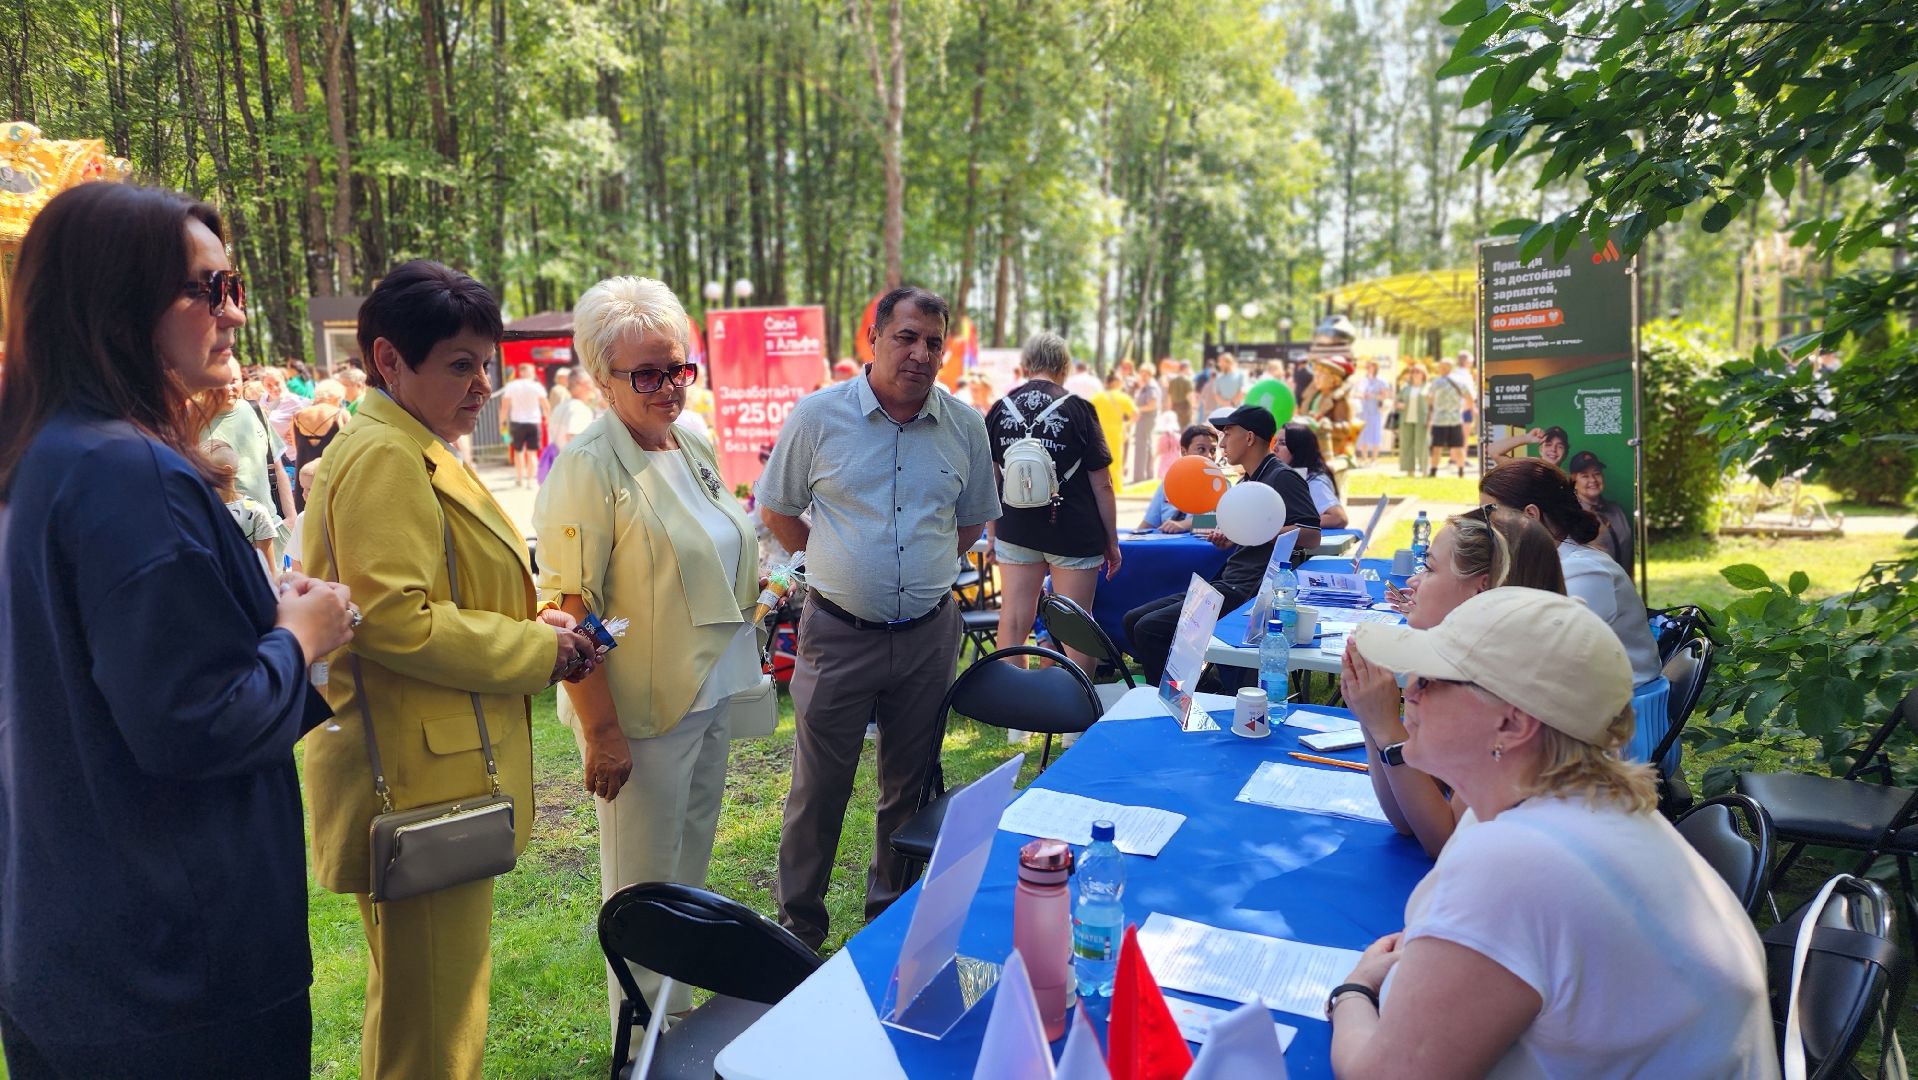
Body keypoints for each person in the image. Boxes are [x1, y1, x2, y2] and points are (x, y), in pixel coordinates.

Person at [0, 182, 353, 1078]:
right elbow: (199, 722)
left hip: (69, 948)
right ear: (116, 302)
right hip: (176, 969)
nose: (235, 313)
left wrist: (252, 611)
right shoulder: (130, 473)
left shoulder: (44, 458)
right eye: (209, 288)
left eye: (235, 285)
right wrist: (301, 634)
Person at [302, 260, 598, 1079]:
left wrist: (524, 622)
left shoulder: (409, 442)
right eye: (460, 364)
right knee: (431, 1027)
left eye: (485, 363)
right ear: (389, 360)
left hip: (433, 773)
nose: (483, 385)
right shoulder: (386, 453)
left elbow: (433, 592)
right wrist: (534, 650)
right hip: (419, 780)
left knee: (425, 1012)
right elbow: (392, 616)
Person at [1329, 589, 1776, 1079]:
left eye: (1431, 680)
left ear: (1511, 723)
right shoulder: (1578, 802)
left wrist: (1354, 991)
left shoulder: (1517, 860)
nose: (1408, 690)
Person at [533, 277, 761, 1060]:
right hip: (639, 718)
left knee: (687, 880)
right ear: (602, 377)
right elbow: (572, 611)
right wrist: (602, 731)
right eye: (647, 374)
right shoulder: (587, 467)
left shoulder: (691, 442)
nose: (668, 387)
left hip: (708, 692)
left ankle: (678, 1029)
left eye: (678, 368)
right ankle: (640, 1053)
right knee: (640, 892)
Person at [757, 285, 1001, 949]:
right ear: (874, 338)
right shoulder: (818, 417)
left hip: (928, 635)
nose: (920, 354)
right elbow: (777, 508)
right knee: (819, 788)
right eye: (906, 337)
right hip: (838, 633)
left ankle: (889, 921)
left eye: (933, 343)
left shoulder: (965, 427)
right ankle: (798, 930)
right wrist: (836, 562)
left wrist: (916, 570)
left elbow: (972, 520)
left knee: (910, 784)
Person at [1342, 506, 1565, 856]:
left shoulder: (1506, 693)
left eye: (1429, 568)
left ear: (1481, 588)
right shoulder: (1450, 668)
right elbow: (1407, 819)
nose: (1413, 582)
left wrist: (1386, 728)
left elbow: (1447, 841)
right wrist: (1371, 717)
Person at [1122, 405, 1321, 685]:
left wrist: (1260, 530)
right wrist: (1231, 536)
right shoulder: (1248, 480)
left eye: (1228, 433)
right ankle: (1202, 687)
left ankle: (1173, 698)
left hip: (1248, 593)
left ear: (1249, 438)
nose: (1223, 443)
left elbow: (1312, 535)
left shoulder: (1281, 477)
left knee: (1149, 629)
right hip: (1227, 581)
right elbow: (1252, 533)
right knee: (1133, 619)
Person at [986, 332, 1122, 676]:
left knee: (1013, 618)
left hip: (1015, 527)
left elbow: (990, 480)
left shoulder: (1001, 408)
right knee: (1077, 623)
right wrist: (1112, 540)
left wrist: (992, 534)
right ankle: (1075, 707)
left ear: (1026, 365)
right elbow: (1103, 484)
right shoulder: (1079, 408)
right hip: (1072, 527)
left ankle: (1012, 705)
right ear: (1064, 366)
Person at [1479, 458, 1659, 687]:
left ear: (1530, 515)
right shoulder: (1550, 560)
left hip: (1623, 701)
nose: (1486, 526)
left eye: (1491, 514)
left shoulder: (1586, 572)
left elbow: (1543, 656)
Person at [202, 357, 296, 555]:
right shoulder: (193, 421)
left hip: (272, 530)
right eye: (221, 382)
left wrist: (290, 517)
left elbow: (277, 467)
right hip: (226, 538)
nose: (228, 388)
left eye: (234, 381)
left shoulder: (254, 411)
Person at [204, 438, 280, 573]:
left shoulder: (255, 512)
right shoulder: (200, 510)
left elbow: (269, 570)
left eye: (203, 471)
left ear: (226, 472)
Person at [1138, 425, 1218, 532]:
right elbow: (1148, 523)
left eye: (1213, 450)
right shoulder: (1168, 483)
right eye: (1201, 449)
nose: (1209, 456)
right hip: (1167, 541)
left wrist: (1184, 524)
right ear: (1184, 452)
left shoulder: (1219, 485)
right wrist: (1132, 538)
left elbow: (1221, 520)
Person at [1568, 450, 1634, 579]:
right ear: (1574, 481)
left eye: (1597, 473)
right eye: (1585, 476)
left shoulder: (1617, 510)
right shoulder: (1571, 515)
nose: (1593, 480)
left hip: (1623, 585)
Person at [1276, 421, 1348, 529]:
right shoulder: (1293, 477)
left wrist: (1293, 526)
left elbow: (1339, 517)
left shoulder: (1314, 482)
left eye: (1282, 443)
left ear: (1298, 448)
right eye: (1275, 442)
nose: (1275, 448)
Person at [288, 378, 347, 509]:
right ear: (337, 397)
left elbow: (295, 446)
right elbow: (350, 447)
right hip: (331, 480)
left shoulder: (297, 416)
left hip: (304, 482)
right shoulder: (340, 414)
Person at [497, 361, 550, 487]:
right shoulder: (537, 386)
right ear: (529, 372)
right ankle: (530, 481)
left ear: (521, 373)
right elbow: (546, 406)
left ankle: (520, 479)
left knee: (518, 452)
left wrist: (502, 422)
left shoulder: (511, 386)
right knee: (532, 453)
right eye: (532, 371)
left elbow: (504, 407)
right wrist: (547, 418)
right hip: (534, 422)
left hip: (517, 422)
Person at [1090, 370, 1139, 484]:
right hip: (1116, 433)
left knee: (1099, 460)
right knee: (1115, 461)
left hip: (1099, 433)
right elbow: (1135, 414)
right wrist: (1127, 424)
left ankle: (1100, 485)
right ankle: (1115, 486)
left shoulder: (1097, 397)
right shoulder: (1123, 397)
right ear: (1115, 382)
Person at [1426, 359, 1466, 477]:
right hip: (1455, 419)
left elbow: (1429, 399)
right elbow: (1469, 399)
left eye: (1441, 366)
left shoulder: (1437, 382)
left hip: (1439, 420)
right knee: (1458, 446)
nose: (1439, 368)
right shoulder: (1460, 381)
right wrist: (1460, 410)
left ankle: (1433, 471)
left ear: (1445, 367)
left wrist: (1432, 410)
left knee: (1437, 446)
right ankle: (1461, 471)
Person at [550, 366, 601, 449]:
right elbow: (574, 440)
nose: (594, 387)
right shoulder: (580, 409)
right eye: (592, 382)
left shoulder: (560, 407)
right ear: (582, 384)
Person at [1130, 361, 1164, 484]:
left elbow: (1152, 405)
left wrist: (1138, 409)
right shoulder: (1147, 386)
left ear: (1150, 374)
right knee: (1147, 446)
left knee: (1141, 446)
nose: (1142, 376)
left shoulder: (1151, 387)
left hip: (1146, 419)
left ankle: (1139, 477)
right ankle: (1148, 474)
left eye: (1145, 373)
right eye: (1141, 373)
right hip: (1145, 419)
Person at [1394, 365, 1431, 478]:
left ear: (1423, 374)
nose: (1415, 373)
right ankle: (1409, 470)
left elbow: (1433, 405)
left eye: (1418, 371)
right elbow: (1397, 401)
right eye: (1413, 371)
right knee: (1406, 445)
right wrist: (1398, 405)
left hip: (1422, 420)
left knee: (1423, 445)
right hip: (1406, 419)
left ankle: (1424, 470)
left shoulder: (1428, 387)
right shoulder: (1405, 388)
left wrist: (1430, 419)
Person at [1354, 360, 1390, 466]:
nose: (1368, 368)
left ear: (1375, 368)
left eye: (1370, 366)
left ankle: (1374, 459)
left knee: (1375, 434)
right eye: (1367, 366)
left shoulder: (1381, 381)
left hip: (1374, 410)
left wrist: (1373, 396)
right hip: (1363, 410)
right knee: (1363, 434)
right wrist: (1361, 395)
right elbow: (1355, 393)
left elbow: (1385, 396)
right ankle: (1364, 458)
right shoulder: (1362, 380)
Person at [1487, 424, 1568, 469]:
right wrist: (1526, 438)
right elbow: (1493, 451)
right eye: (1548, 444)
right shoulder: (1526, 472)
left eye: (1559, 446)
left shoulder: (1567, 483)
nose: (1553, 449)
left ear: (1565, 453)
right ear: (1540, 449)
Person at [1451, 349, 1479, 453]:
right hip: (1465, 408)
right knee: (1464, 436)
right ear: (1466, 362)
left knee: (1456, 436)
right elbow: (1470, 394)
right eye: (1470, 361)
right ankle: (1461, 459)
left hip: (1455, 408)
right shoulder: (1466, 375)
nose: (1471, 364)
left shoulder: (1453, 374)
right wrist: (1473, 408)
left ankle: (1454, 458)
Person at [1166, 358, 1195, 427]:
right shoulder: (1188, 381)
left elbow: (1169, 397)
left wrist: (1169, 410)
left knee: (1175, 428)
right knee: (1185, 428)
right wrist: (1193, 409)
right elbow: (1189, 396)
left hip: (1174, 407)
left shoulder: (1172, 381)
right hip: (1184, 408)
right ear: (1186, 368)